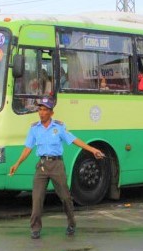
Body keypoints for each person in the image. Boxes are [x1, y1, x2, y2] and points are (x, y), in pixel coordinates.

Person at [9, 96, 105, 239]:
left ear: (51, 113)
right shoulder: (34, 129)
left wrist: (93, 150)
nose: (41, 113)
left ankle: (72, 223)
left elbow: (74, 140)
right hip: (42, 166)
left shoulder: (59, 127)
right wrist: (17, 164)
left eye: (45, 110)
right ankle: (35, 228)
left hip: (57, 165)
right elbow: (27, 148)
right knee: (37, 198)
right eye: (40, 110)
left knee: (65, 198)